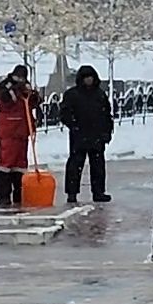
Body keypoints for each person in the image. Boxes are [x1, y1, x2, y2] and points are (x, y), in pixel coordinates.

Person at [59, 64, 113, 203]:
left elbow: (106, 114)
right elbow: (64, 113)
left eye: (90, 77)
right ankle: (72, 193)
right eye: (86, 78)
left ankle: (98, 192)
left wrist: (107, 131)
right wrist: (73, 125)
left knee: (98, 166)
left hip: (96, 136)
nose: (88, 80)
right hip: (79, 136)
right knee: (75, 166)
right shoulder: (72, 95)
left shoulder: (99, 94)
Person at [0, 64, 35, 208]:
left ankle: (19, 193)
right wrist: (16, 90)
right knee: (7, 163)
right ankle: (3, 194)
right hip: (9, 130)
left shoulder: (26, 86)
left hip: (22, 131)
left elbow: (33, 102)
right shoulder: (5, 86)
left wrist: (32, 94)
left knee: (20, 164)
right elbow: (5, 100)